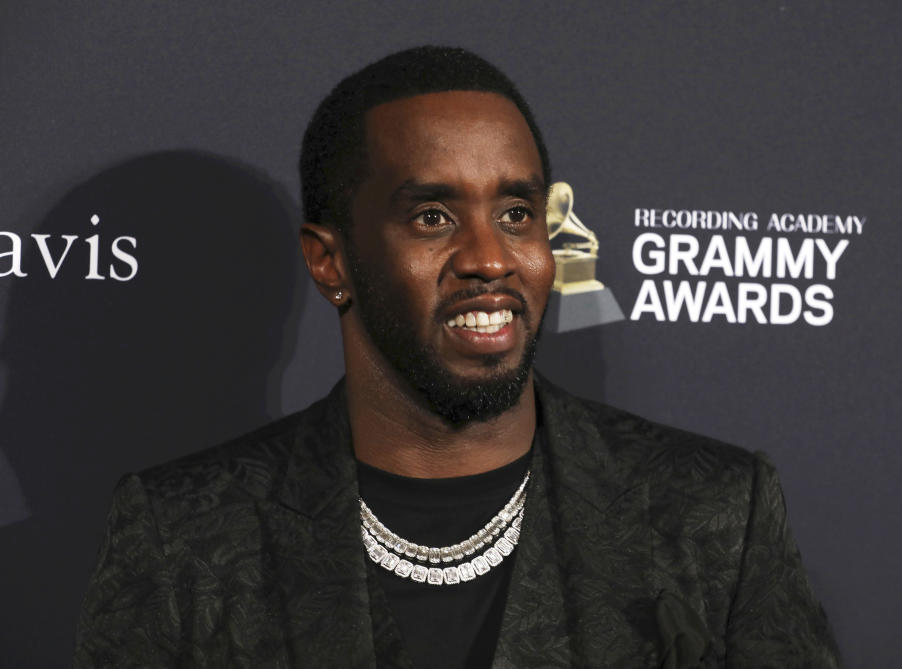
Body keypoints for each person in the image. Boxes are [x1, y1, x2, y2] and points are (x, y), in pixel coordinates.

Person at [76, 46, 840, 668]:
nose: (489, 258)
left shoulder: (709, 515)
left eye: (515, 213)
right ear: (329, 261)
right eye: (433, 215)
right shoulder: (187, 535)